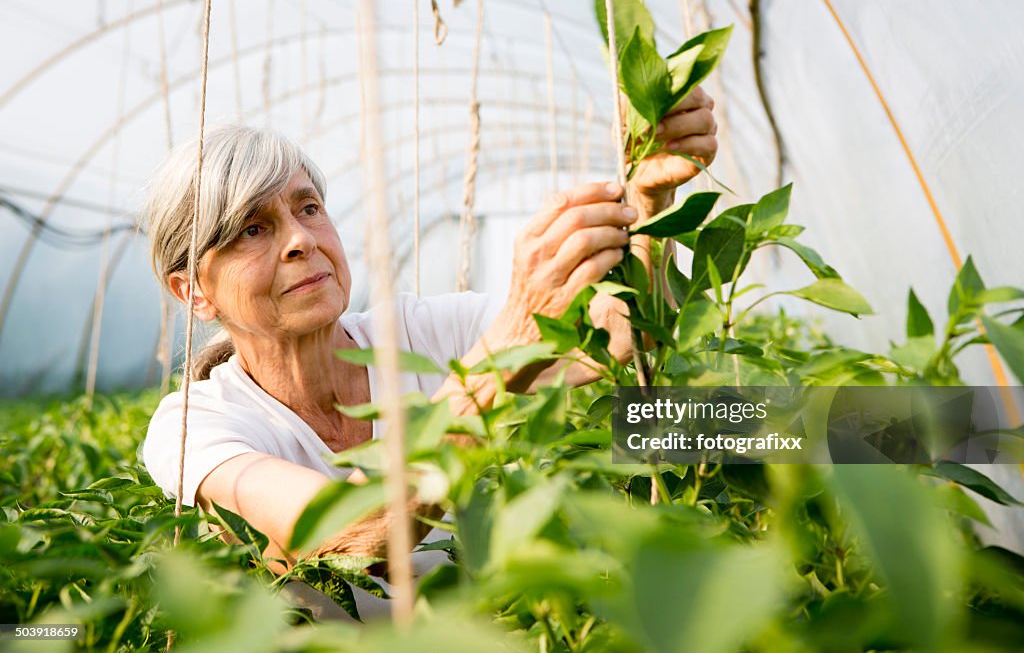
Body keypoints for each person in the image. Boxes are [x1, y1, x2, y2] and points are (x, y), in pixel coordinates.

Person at [141, 88, 717, 614]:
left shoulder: (417, 333)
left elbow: (620, 336)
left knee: (748, 427)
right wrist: (507, 349)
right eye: (252, 228)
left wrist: (650, 199)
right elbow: (352, 535)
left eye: (308, 207)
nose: (300, 240)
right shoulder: (195, 425)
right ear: (192, 290)